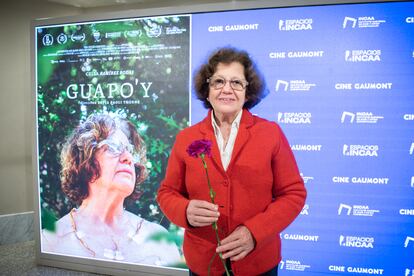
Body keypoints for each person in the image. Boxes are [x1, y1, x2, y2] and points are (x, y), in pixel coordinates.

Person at [157, 47, 307, 275]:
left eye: (236, 82)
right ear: (207, 90)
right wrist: (184, 210)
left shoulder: (271, 133)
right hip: (203, 264)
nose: (227, 89)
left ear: (248, 92)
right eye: (218, 81)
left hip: (258, 262)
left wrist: (254, 233)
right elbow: (167, 192)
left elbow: (293, 193)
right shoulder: (186, 138)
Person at [41, 113, 181, 266]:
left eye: (130, 151)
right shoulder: (51, 242)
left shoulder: (160, 240)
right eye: (114, 147)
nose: (127, 157)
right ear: (85, 161)